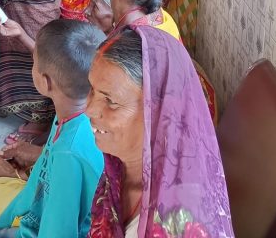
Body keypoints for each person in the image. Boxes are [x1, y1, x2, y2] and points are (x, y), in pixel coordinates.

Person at [0, 20, 106, 238]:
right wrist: (15, 188)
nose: (32, 65)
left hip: (43, 227)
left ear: (46, 83)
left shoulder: (69, 153)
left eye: (34, 62)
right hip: (37, 206)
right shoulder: (74, 113)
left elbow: (58, 232)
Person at [85, 26, 234, 237]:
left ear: (159, 114)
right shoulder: (119, 168)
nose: (88, 109)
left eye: (110, 101)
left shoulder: (179, 222)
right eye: (91, 89)